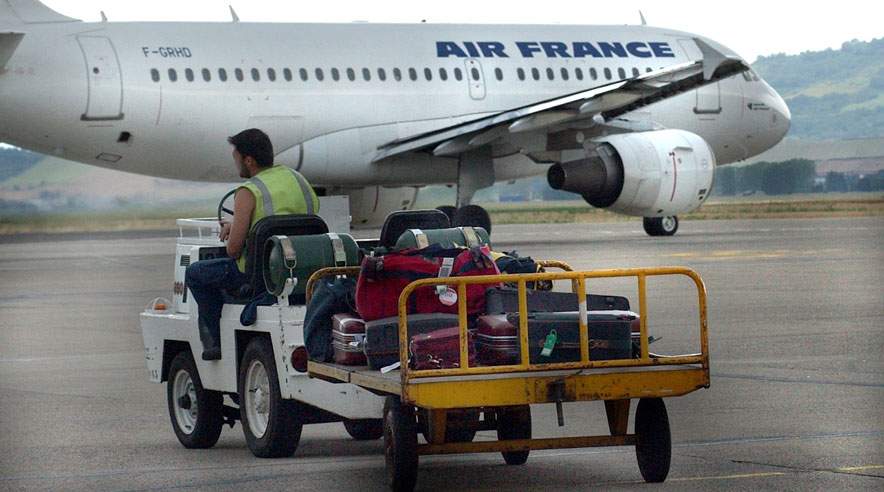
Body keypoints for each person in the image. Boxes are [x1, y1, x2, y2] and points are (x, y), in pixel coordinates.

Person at [185, 129, 319, 360]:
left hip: (259, 277)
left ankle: (216, 341)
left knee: (196, 273)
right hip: (304, 270)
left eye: (236, 158)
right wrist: (241, 226)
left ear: (249, 160)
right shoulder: (298, 179)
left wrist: (235, 229)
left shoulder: (248, 191)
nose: (236, 164)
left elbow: (234, 250)